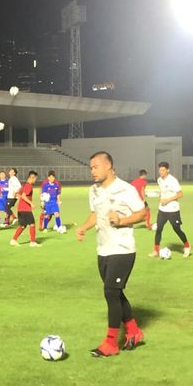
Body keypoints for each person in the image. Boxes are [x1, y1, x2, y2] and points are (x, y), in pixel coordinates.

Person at [75, 151, 146, 357]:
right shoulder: (94, 190)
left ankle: (111, 343)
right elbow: (95, 215)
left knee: (110, 292)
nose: (92, 171)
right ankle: (133, 331)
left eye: (95, 167)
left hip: (122, 249)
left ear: (108, 166)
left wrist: (122, 221)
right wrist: (84, 227)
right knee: (115, 292)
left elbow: (142, 213)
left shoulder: (126, 189)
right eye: (91, 168)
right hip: (103, 249)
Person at [151, 162, 191, 258]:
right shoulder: (159, 180)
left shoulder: (173, 180)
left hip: (173, 210)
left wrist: (167, 200)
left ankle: (187, 246)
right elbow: (163, 192)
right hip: (162, 210)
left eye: (163, 170)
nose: (161, 172)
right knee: (159, 229)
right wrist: (160, 197)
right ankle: (156, 251)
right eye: (160, 170)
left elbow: (180, 194)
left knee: (176, 229)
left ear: (168, 170)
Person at [10, 171, 40, 247]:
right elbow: (23, 195)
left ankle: (13, 240)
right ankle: (32, 242)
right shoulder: (29, 186)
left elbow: (17, 194)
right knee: (32, 224)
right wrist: (31, 203)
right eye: (35, 178)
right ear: (32, 177)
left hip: (20, 209)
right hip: (26, 209)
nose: (35, 180)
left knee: (22, 225)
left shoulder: (24, 185)